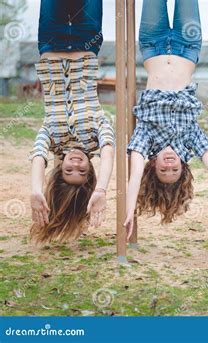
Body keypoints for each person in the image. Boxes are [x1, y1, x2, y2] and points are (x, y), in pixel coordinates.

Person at [124, 0, 208, 238]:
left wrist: (128, 210)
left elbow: (134, 175)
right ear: (182, 166)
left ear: (154, 165)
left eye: (163, 170)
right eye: (174, 169)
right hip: (187, 45)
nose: (169, 165)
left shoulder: (144, 138)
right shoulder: (190, 137)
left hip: (152, 43)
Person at [30, 0, 115, 244]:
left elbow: (38, 157)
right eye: (82, 171)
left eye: (69, 171)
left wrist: (37, 189)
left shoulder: (51, 137)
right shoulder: (96, 135)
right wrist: (101, 190)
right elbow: (109, 152)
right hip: (85, 40)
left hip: (51, 39)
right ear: (90, 169)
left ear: (58, 170)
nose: (76, 164)